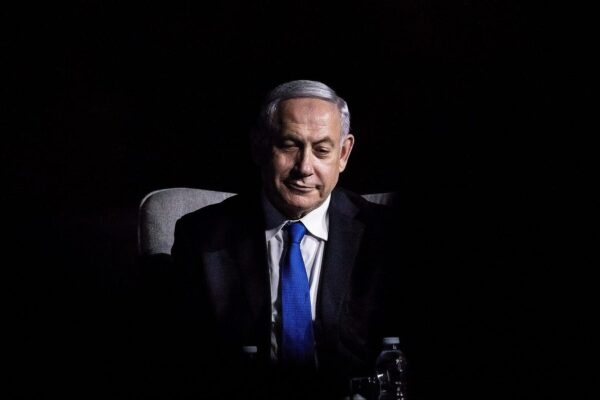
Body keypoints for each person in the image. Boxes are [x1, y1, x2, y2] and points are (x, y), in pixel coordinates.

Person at [171, 80, 405, 399]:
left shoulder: (387, 235)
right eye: (289, 145)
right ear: (259, 147)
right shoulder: (201, 236)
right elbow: (182, 357)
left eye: (322, 150)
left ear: (343, 153)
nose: (304, 167)